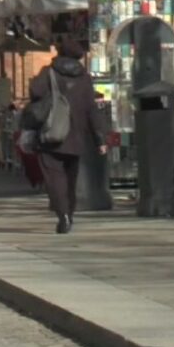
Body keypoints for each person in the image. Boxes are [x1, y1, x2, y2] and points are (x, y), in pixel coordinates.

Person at [29, 38, 109, 234]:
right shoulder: (85, 77)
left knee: (54, 178)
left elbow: (34, 92)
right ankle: (69, 213)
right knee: (71, 179)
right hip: (77, 137)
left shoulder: (49, 72)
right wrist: (100, 139)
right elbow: (92, 109)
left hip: (51, 134)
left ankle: (62, 215)